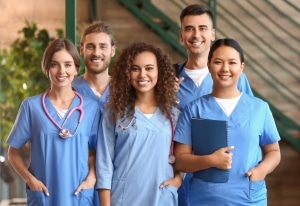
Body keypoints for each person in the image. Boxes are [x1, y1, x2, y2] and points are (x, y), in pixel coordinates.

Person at [174, 38, 281, 205]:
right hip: (204, 199)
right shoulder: (193, 110)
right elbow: (180, 160)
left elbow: (274, 151)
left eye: (232, 62)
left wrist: (261, 171)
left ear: (241, 67)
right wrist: (210, 160)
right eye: (218, 62)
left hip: (249, 198)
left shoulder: (260, 109)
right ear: (209, 66)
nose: (225, 68)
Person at [174, 4, 253, 205]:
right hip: (188, 182)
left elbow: (251, 125)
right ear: (181, 35)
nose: (196, 34)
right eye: (189, 28)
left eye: (202, 28)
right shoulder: (170, 80)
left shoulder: (235, 78)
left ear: (212, 34)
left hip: (234, 183)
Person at [6, 38, 100, 206]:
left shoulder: (91, 108)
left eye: (68, 64)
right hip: (44, 196)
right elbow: (13, 153)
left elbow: (95, 151)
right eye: (54, 64)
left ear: (76, 69)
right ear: (47, 68)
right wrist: (31, 180)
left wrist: (91, 179)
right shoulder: (31, 107)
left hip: (79, 194)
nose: (61, 70)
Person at [96, 42, 182, 206]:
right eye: (135, 69)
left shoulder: (173, 115)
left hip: (162, 198)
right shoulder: (114, 113)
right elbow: (104, 164)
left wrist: (178, 178)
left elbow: (183, 155)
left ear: (159, 71)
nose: (142, 74)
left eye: (149, 68)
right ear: (127, 73)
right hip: (124, 198)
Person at [72, 21, 117, 112]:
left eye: (103, 47)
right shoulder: (70, 89)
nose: (96, 53)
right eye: (90, 47)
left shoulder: (123, 90)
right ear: (81, 50)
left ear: (112, 51)